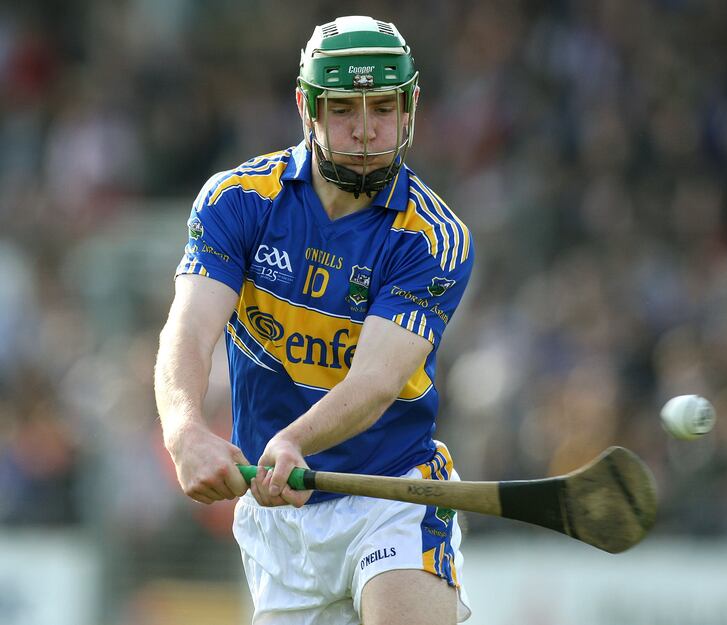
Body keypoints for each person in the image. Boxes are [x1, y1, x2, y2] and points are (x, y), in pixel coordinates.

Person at [155, 15, 474, 625]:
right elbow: (190, 329)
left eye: (383, 107)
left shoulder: (432, 238)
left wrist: (297, 440)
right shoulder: (240, 200)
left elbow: (376, 382)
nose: (364, 131)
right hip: (277, 516)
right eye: (343, 109)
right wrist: (184, 430)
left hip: (391, 496)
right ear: (307, 107)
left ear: (409, 110)